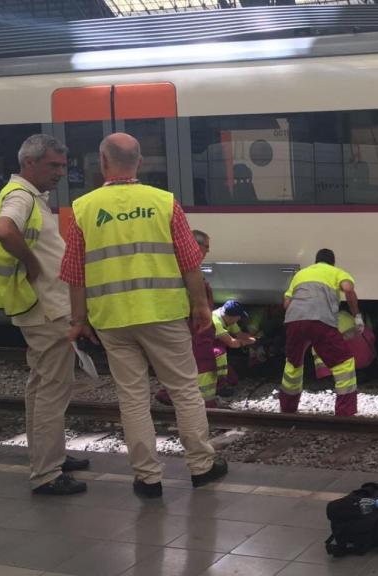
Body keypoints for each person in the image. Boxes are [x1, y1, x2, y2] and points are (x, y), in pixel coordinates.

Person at [61, 132, 228, 498]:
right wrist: (201, 306)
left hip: (113, 318)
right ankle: (201, 466)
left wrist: (78, 320)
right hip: (163, 313)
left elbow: (75, 273)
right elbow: (190, 263)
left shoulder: (83, 208)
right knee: (185, 390)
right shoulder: (164, 202)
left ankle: (147, 477)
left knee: (132, 398)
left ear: (103, 163)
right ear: (140, 162)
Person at [0, 134, 89, 495]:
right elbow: (3, 229)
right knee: (52, 389)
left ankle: (51, 456)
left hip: (38, 306)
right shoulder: (21, 197)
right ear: (29, 163)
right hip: (45, 308)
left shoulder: (30, 197)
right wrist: (31, 262)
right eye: (53, 165)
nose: (61, 172)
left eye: (63, 165)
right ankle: (47, 473)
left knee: (39, 387)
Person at [281, 248, 364, 416]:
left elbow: (286, 303)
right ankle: (345, 412)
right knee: (344, 363)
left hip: (293, 320)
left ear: (316, 261)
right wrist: (357, 316)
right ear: (332, 262)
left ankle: (288, 409)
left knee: (293, 363)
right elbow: (348, 289)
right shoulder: (336, 272)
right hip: (320, 321)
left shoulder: (301, 274)